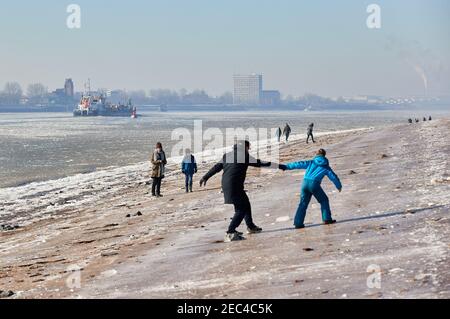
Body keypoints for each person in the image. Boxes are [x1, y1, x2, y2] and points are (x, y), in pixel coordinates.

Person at [200, 140, 273, 242]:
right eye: (248, 147)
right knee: (241, 209)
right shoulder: (244, 156)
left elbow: (217, 167)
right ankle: (230, 232)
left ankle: (250, 226)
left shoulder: (228, 155)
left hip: (228, 185)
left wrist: (205, 177)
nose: (249, 149)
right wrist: (276, 165)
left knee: (245, 204)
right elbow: (258, 163)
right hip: (234, 186)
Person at [279, 149, 342, 229]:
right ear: (324, 155)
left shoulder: (311, 162)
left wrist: (286, 167)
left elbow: (298, 164)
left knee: (303, 203)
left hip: (304, 184)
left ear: (317, 155)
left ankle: (298, 223)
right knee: (324, 200)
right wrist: (339, 186)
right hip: (314, 185)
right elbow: (333, 177)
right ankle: (327, 219)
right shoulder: (326, 167)